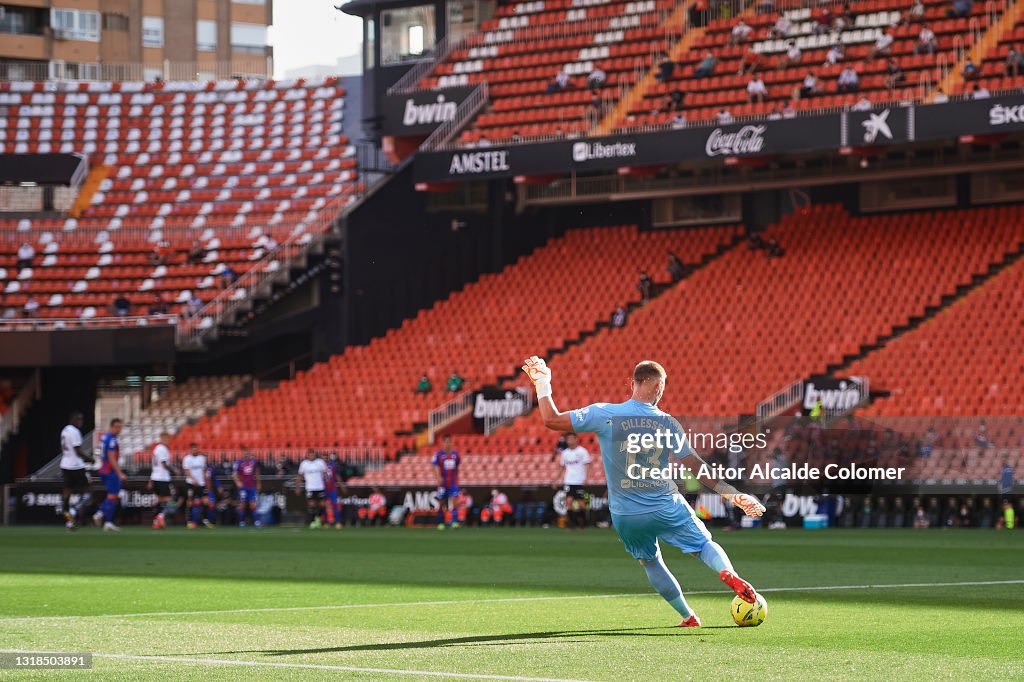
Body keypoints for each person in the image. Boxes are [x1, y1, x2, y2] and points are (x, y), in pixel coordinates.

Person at [522, 356, 765, 627]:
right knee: (703, 545)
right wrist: (733, 495)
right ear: (659, 386)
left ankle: (688, 615)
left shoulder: (605, 413)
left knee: (650, 561)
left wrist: (543, 382)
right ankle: (727, 573)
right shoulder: (667, 422)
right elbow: (697, 466)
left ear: (633, 383)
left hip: (625, 513)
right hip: (664, 504)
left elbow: (552, 420)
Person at [60, 410, 94, 530]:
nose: (81, 422)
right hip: (76, 466)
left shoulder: (64, 430)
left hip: (65, 464)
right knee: (88, 492)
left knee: (67, 493)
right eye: (78, 419)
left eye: (81, 419)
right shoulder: (75, 432)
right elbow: (77, 450)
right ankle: (73, 511)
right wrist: (91, 459)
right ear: (73, 420)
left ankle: (68, 521)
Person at [93, 418, 125, 532]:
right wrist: (119, 472)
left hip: (105, 470)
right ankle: (101, 515)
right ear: (111, 427)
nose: (119, 429)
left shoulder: (105, 437)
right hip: (109, 471)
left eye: (120, 427)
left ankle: (107, 521)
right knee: (113, 495)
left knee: (113, 496)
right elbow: (111, 457)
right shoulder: (111, 439)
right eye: (117, 427)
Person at [559, 432, 592, 531]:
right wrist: (557, 479)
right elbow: (563, 467)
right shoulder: (565, 453)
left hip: (579, 481)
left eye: (572, 438)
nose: (570, 441)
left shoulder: (582, 451)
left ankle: (582, 523)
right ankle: (571, 524)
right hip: (569, 481)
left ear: (576, 439)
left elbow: (588, 464)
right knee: (568, 502)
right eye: (568, 439)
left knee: (581, 503)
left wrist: (587, 477)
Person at [432, 434, 462, 529]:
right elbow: (435, 467)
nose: (448, 444)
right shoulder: (438, 455)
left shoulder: (455, 454)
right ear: (443, 443)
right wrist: (438, 478)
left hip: (453, 482)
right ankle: (441, 522)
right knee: (441, 503)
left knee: (455, 501)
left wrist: (457, 479)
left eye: (449, 442)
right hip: (443, 483)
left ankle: (454, 522)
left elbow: (457, 467)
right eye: (446, 442)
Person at [182, 443, 214, 529]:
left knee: (206, 501)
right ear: (190, 450)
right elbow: (186, 471)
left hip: (201, 484)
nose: (195, 450)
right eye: (193, 449)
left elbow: (204, 470)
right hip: (190, 484)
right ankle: (189, 522)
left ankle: (205, 520)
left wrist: (204, 480)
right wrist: (193, 480)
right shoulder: (187, 459)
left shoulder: (202, 458)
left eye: (196, 449)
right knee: (190, 502)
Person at [150, 432, 176, 529]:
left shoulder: (157, 448)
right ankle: (161, 516)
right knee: (169, 499)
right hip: (162, 477)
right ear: (163, 438)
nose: (168, 440)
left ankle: (156, 521)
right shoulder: (162, 448)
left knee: (160, 499)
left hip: (156, 477)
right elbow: (164, 464)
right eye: (167, 438)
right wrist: (174, 470)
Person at [297, 450, 328, 529]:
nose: (312, 456)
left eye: (313, 455)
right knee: (312, 504)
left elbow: (325, 473)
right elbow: (300, 475)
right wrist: (298, 487)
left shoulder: (320, 462)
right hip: (310, 487)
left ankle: (318, 518)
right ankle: (312, 521)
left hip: (320, 487)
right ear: (307, 456)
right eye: (310, 455)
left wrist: (327, 480)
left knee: (322, 504)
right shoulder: (304, 464)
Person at [233, 449, 262, 528]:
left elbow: (257, 473)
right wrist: (237, 482)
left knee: (253, 504)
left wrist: (258, 483)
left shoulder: (254, 462)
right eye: (244, 454)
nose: (246, 455)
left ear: (249, 454)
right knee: (242, 505)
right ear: (242, 454)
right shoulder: (238, 463)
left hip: (252, 486)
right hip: (243, 487)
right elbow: (234, 474)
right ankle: (241, 522)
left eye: (247, 454)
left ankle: (257, 522)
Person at [322, 453, 343, 528]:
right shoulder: (319, 466)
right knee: (324, 506)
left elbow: (337, 476)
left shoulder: (333, 465)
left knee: (335, 505)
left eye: (326, 457)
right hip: (322, 489)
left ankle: (338, 522)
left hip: (332, 489)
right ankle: (326, 523)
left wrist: (341, 485)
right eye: (323, 458)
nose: (324, 459)